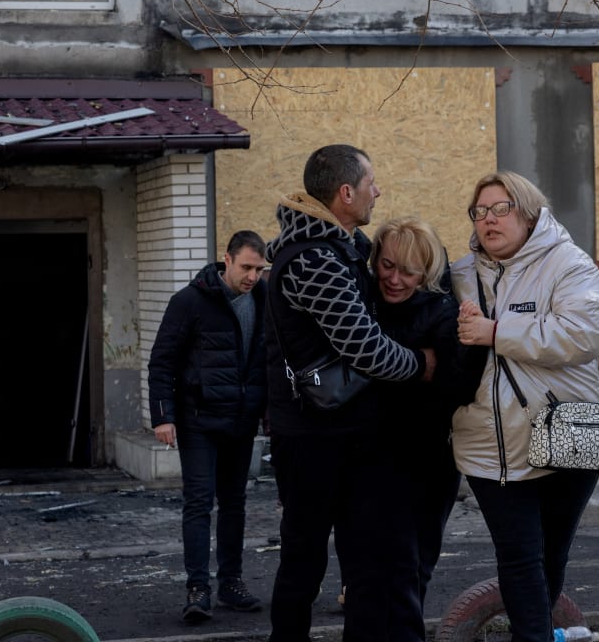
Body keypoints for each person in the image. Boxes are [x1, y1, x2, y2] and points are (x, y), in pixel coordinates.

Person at [264, 144, 433, 642]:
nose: (377, 191)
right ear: (346, 192)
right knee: (305, 561)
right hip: (315, 436)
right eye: (371, 184)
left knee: (363, 561)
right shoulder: (315, 259)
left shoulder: (340, 247)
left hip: (346, 431)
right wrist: (422, 364)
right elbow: (366, 350)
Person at [451, 171, 599, 642]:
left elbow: (582, 335)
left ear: (528, 212)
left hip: (565, 432)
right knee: (518, 556)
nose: (488, 221)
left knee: (552, 554)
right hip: (488, 442)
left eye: (501, 209)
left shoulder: (569, 265)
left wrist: (496, 333)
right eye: (480, 212)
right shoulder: (459, 275)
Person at [147, 230, 269, 623]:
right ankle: (197, 588)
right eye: (247, 267)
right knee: (199, 502)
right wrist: (163, 416)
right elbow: (162, 360)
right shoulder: (190, 301)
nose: (252, 276)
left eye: (259, 268)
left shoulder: (265, 299)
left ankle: (231, 584)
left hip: (242, 418)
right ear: (227, 260)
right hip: (198, 419)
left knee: (234, 503)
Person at [353, 216, 464, 641]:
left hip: (425, 459)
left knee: (412, 567)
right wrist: (418, 365)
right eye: (387, 265)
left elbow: (454, 385)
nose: (394, 279)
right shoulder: (364, 300)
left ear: (428, 273)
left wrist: (387, 368)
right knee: (370, 569)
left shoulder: (443, 311)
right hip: (368, 452)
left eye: (408, 271)